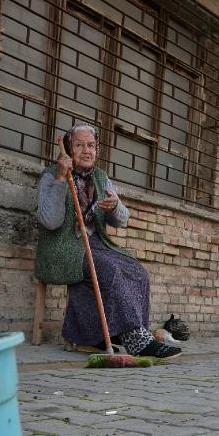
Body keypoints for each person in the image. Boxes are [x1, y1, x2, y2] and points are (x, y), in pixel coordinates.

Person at [35, 123, 182, 359]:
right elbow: (49, 221)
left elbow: (122, 220)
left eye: (91, 146)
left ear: (97, 150)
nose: (86, 151)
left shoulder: (101, 178)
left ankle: (127, 333)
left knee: (138, 271)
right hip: (63, 247)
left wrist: (115, 207)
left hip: (97, 246)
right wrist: (61, 179)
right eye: (79, 145)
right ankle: (135, 341)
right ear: (68, 149)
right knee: (111, 270)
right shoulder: (52, 175)